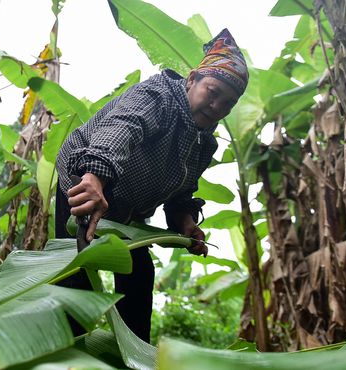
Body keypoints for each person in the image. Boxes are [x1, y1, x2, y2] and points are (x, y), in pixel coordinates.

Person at [54, 29, 249, 343]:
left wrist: (186, 223)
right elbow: (124, 126)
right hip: (84, 181)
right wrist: (94, 177)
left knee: (140, 277)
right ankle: (66, 353)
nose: (217, 107)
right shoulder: (159, 96)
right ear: (192, 79)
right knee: (77, 279)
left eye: (228, 103)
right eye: (212, 92)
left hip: (127, 208)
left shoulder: (204, 144)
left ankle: (133, 356)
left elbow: (182, 193)